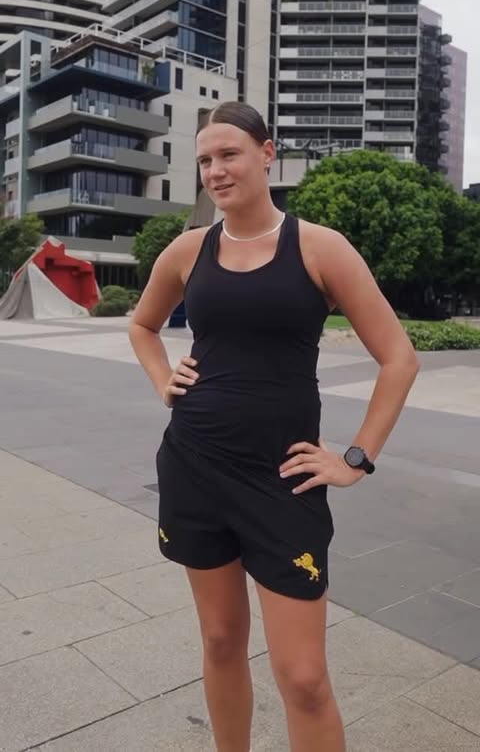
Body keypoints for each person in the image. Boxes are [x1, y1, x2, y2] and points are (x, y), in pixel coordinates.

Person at [129, 101, 419, 752]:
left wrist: (355, 458)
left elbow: (399, 358)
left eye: (229, 154)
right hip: (193, 468)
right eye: (205, 160)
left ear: (267, 154)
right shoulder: (188, 250)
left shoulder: (319, 247)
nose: (215, 170)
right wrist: (162, 378)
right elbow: (143, 325)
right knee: (220, 640)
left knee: (305, 678)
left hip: (282, 482)